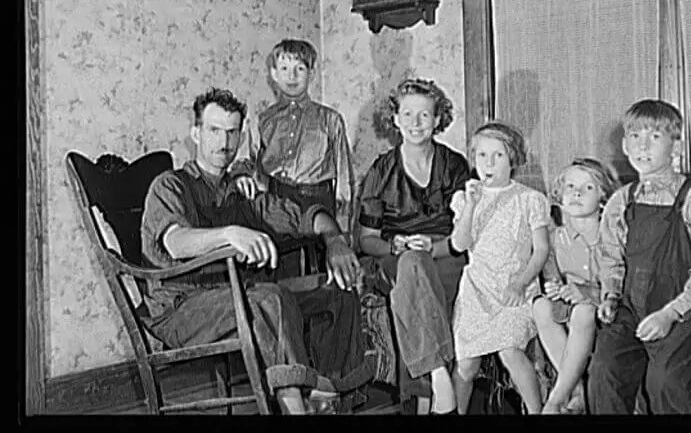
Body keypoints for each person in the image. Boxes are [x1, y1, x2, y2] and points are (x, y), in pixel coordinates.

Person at [140, 87, 372, 415]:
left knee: (338, 291)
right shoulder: (170, 185)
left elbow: (306, 216)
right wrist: (230, 234)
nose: (224, 142)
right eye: (214, 130)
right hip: (181, 308)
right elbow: (176, 242)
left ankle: (329, 399)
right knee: (269, 298)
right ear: (196, 133)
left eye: (233, 132)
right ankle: (296, 410)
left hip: (242, 296)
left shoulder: (244, 193)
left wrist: (335, 241)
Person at [356, 78, 471, 415]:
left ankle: (426, 396)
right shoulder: (381, 170)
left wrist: (432, 247)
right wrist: (395, 245)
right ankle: (438, 376)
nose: (415, 124)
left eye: (424, 115)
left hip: (446, 254)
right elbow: (366, 240)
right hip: (396, 257)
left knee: (417, 270)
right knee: (411, 266)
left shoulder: (454, 165)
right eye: (407, 115)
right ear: (395, 119)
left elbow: (465, 233)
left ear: (438, 120)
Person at [587, 99, 691, 415]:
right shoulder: (621, 201)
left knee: (666, 384)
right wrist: (610, 296)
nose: (642, 146)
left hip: (684, 314)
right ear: (624, 144)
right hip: (631, 310)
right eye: (635, 137)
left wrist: (671, 314)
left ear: (676, 147)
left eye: (654, 137)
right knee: (604, 373)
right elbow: (610, 256)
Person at [450, 121, 551, 415]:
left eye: (498, 156)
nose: (489, 164)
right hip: (478, 289)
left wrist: (520, 283)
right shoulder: (464, 198)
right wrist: (470, 206)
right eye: (482, 156)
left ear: (513, 160)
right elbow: (459, 243)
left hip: (515, 288)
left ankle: (537, 410)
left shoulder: (530, 199)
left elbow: (542, 249)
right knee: (466, 364)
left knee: (510, 351)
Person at [231, 39, 354, 231]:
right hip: (276, 203)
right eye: (284, 68)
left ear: (311, 74)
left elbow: (344, 179)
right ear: (274, 74)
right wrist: (241, 176)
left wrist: (343, 229)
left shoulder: (330, 120)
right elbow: (245, 158)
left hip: (317, 202)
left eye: (300, 69)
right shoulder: (263, 120)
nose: (292, 76)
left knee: (319, 257)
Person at [532, 157, 621, 414]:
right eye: (570, 187)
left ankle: (557, 398)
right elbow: (551, 279)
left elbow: (619, 285)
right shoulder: (554, 238)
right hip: (569, 311)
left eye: (588, 188)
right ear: (559, 196)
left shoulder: (612, 237)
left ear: (603, 198)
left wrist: (588, 294)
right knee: (540, 306)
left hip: (603, 310)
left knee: (584, 310)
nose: (577, 193)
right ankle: (577, 387)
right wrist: (555, 289)